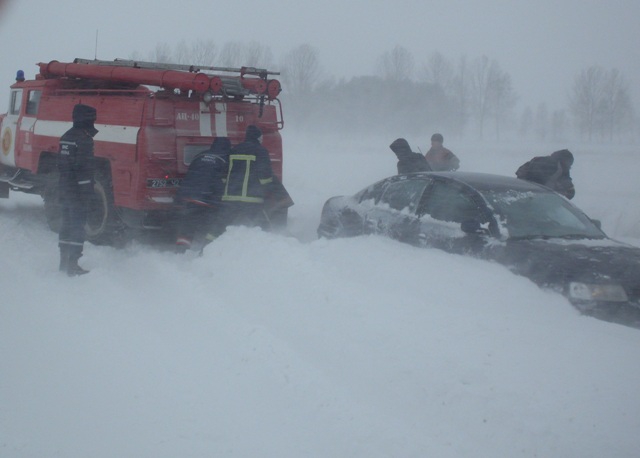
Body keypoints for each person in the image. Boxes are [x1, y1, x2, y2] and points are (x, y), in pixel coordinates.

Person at [57, 104, 98, 276]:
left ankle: (63, 262)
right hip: (78, 192)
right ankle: (73, 264)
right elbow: (83, 168)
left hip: (65, 188)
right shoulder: (84, 139)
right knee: (77, 226)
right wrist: (87, 192)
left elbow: (63, 165)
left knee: (66, 224)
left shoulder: (66, 136)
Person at [174, 137, 231, 253]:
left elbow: (190, 175)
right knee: (212, 226)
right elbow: (224, 181)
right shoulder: (225, 159)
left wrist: (180, 198)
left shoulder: (199, 156)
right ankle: (206, 250)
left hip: (190, 197)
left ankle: (180, 251)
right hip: (208, 200)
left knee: (188, 225)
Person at [220, 125, 275, 229]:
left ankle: (208, 244)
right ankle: (270, 244)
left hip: (231, 198)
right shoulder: (261, 151)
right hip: (252, 200)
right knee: (264, 227)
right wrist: (268, 190)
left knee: (220, 227)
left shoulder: (234, 150)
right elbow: (265, 177)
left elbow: (223, 175)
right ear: (258, 137)